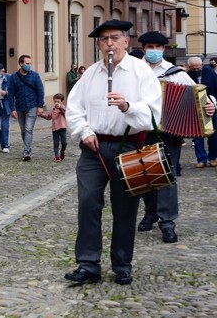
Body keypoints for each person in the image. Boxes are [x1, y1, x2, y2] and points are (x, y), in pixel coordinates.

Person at [64, 20, 161, 285]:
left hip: (127, 146)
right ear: (98, 45)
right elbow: (74, 109)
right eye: (104, 39)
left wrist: (127, 106)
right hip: (93, 147)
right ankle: (88, 264)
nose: (109, 44)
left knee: (125, 208)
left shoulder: (141, 71)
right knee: (88, 204)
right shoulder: (90, 74)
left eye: (115, 38)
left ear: (126, 41)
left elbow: (153, 114)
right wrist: (85, 132)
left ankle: (122, 264)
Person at [135, 31, 214, 243]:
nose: (153, 50)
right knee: (144, 175)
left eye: (158, 47)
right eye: (149, 46)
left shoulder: (176, 73)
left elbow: (201, 94)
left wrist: (211, 104)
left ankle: (167, 222)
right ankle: (150, 212)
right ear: (143, 48)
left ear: (164, 50)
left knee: (166, 176)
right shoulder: (134, 70)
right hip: (139, 130)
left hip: (169, 132)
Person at [8, 54, 45, 161]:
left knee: (28, 129)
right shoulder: (13, 77)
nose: (29, 65)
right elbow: (10, 94)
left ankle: (27, 152)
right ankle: (27, 148)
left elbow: (40, 91)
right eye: (27, 63)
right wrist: (12, 109)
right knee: (23, 130)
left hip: (32, 106)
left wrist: (40, 105)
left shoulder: (35, 76)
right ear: (20, 64)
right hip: (19, 107)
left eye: (30, 63)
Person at [188, 56, 217, 168]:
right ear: (189, 67)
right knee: (198, 136)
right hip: (195, 109)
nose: (196, 70)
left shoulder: (209, 72)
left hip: (212, 107)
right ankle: (201, 159)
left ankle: (213, 157)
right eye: (193, 68)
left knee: (214, 135)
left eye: (198, 67)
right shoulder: (187, 75)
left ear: (202, 65)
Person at [37, 93, 67, 163]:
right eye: (55, 101)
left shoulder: (63, 108)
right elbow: (48, 117)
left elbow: (66, 113)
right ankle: (57, 156)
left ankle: (62, 151)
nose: (56, 103)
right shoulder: (53, 110)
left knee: (64, 142)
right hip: (55, 129)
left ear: (61, 102)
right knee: (56, 143)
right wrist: (42, 115)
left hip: (62, 127)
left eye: (58, 101)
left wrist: (60, 107)